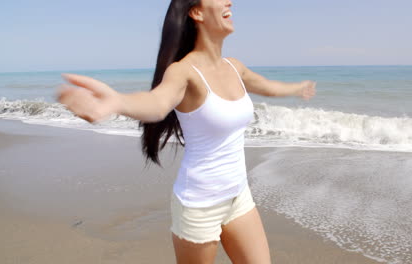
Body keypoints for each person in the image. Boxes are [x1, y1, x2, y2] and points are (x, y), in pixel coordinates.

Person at [57, 0, 316, 263]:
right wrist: (117, 102)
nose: (229, 1)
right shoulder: (184, 72)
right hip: (199, 205)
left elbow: (268, 87)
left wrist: (297, 88)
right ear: (196, 12)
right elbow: (157, 103)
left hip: (238, 196)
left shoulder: (234, 67)